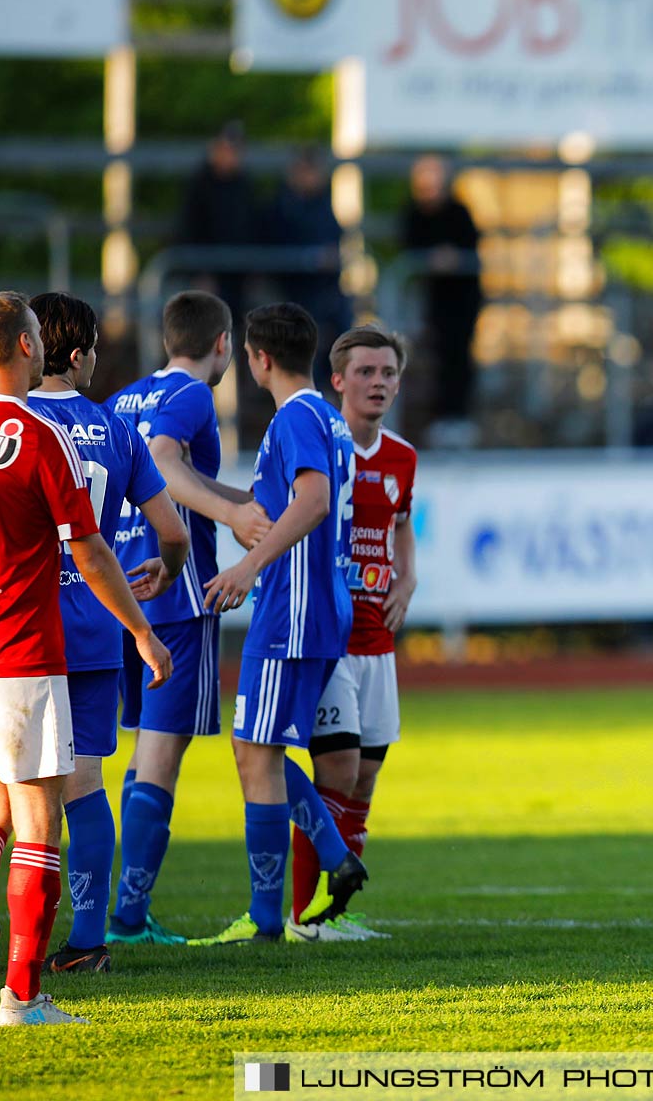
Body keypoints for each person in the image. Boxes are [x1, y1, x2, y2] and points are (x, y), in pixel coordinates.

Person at [0, 291, 170, 1027]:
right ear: (29, 347)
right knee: (40, 821)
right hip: (19, 651)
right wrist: (141, 632)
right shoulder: (37, 435)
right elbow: (92, 550)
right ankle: (24, 998)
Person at [25, 293, 190, 974]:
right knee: (83, 784)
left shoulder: (4, 423)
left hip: (10, 630)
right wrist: (165, 565)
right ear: (77, 352)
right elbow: (173, 530)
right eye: (93, 345)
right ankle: (88, 940)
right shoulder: (114, 431)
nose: (98, 357)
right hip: (93, 632)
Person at [191, 303, 365, 946]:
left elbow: (312, 502)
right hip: (319, 606)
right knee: (255, 747)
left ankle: (269, 918)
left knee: (253, 749)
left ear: (258, 358)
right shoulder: (326, 418)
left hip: (292, 610)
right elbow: (273, 503)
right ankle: (330, 859)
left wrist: (246, 569)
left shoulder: (295, 418)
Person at [106, 290, 272, 947]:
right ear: (223, 344)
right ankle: (125, 917)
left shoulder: (122, 399)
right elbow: (167, 466)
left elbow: (148, 478)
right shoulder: (196, 395)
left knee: (136, 751)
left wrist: (241, 501)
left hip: (117, 589)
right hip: (174, 591)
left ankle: (118, 906)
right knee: (161, 758)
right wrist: (232, 516)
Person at [290, 325, 418, 941]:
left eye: (388, 373)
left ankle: (333, 915)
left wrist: (408, 579)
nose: (378, 383)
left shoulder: (402, 456)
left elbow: (402, 524)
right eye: (365, 372)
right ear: (337, 380)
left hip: (379, 642)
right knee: (334, 773)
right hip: (332, 638)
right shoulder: (324, 445)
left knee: (364, 780)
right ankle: (298, 915)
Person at [400, 154, 482, 445]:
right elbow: (410, 247)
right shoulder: (414, 214)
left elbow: (471, 246)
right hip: (431, 300)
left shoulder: (459, 211)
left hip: (461, 299)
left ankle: (458, 418)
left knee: (459, 356)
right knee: (432, 358)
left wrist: (452, 258)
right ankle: (437, 419)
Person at [267, 146, 351, 389]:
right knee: (306, 331)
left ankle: (335, 389)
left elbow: (336, 239)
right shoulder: (282, 207)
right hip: (291, 290)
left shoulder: (323, 205)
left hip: (325, 290)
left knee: (344, 329)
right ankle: (310, 391)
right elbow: (276, 247)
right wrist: (310, 258)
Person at [178, 122, 262, 321]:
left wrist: (254, 271)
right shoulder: (199, 185)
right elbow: (189, 230)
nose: (231, 155)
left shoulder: (245, 185)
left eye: (236, 149)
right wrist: (199, 272)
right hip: (208, 275)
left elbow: (254, 228)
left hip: (239, 277)